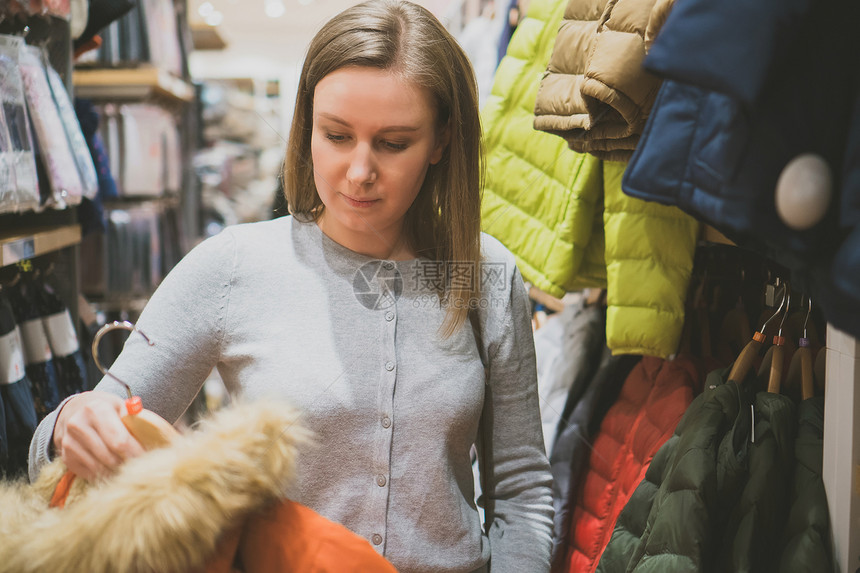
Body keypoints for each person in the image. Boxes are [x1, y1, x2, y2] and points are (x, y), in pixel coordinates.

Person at [29, 1, 554, 571]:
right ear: (306, 127)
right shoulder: (235, 266)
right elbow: (64, 454)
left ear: (443, 140)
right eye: (336, 135)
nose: (358, 171)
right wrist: (74, 421)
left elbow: (523, 492)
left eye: (393, 143)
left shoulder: (487, 276)